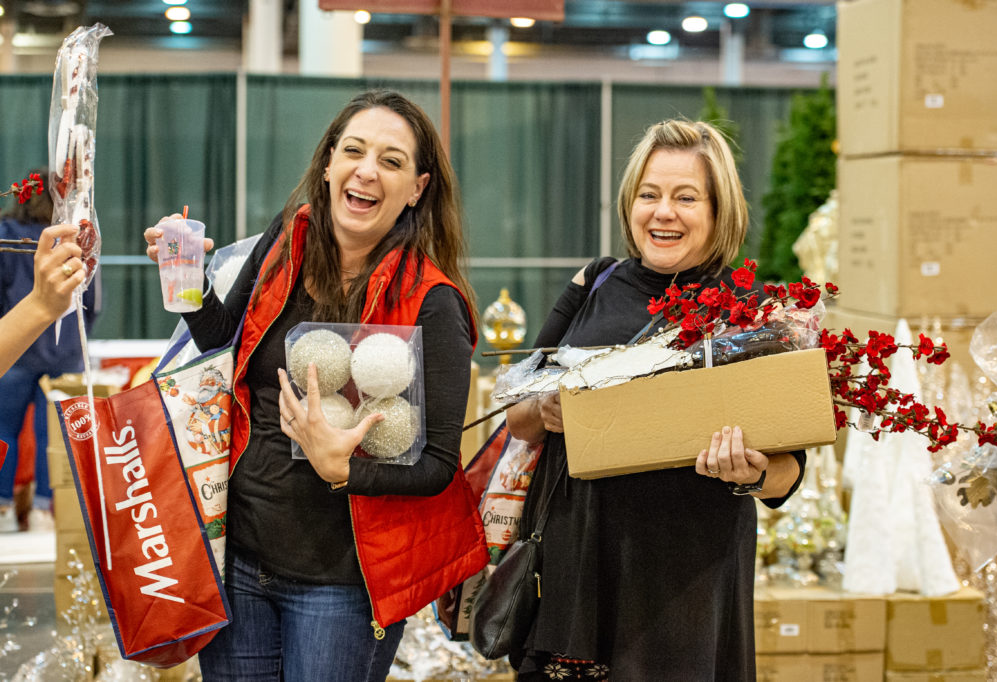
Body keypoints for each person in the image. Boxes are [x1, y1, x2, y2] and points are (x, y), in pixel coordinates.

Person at [143, 89, 487, 681]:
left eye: (391, 161)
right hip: (238, 559)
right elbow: (222, 339)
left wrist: (344, 470)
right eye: (353, 150)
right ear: (328, 164)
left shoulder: (433, 302)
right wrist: (186, 277)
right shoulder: (286, 241)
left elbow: (436, 467)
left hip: (343, 584)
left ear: (417, 188)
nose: (367, 170)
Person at [506, 119, 806, 681]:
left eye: (685, 198)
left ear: (718, 211)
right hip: (575, 570)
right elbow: (517, 418)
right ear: (630, 204)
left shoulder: (751, 310)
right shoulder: (595, 283)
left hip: (686, 587)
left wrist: (752, 472)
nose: (663, 213)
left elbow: (789, 473)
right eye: (649, 195)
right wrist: (546, 409)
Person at [0, 178, 95, 532]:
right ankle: (43, 510)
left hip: (15, 349)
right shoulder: (74, 241)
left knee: (3, 430)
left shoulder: (8, 237)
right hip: (64, 353)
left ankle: (3, 508)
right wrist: (75, 338)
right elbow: (92, 297)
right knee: (53, 436)